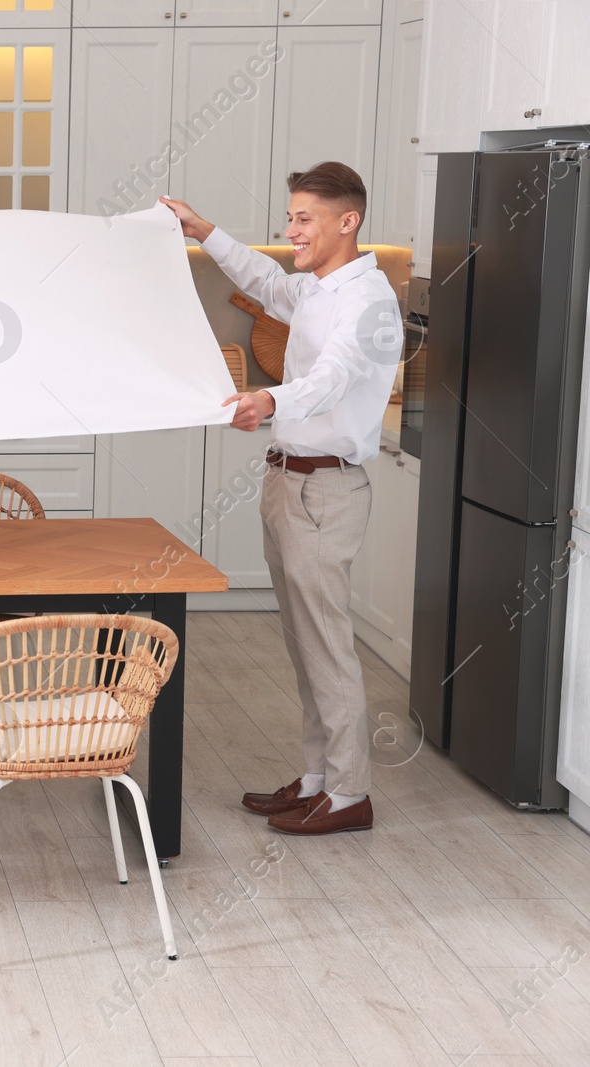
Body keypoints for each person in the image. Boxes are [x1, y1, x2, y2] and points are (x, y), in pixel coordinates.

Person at [160, 161, 401, 835]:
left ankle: (350, 794)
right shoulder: (322, 287)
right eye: (290, 215)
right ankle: (320, 779)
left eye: (304, 218)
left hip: (326, 490)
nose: (290, 229)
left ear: (346, 221)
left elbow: (333, 377)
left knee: (326, 646)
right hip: (289, 481)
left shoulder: (369, 301)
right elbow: (266, 281)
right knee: (305, 645)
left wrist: (268, 396)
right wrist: (203, 230)